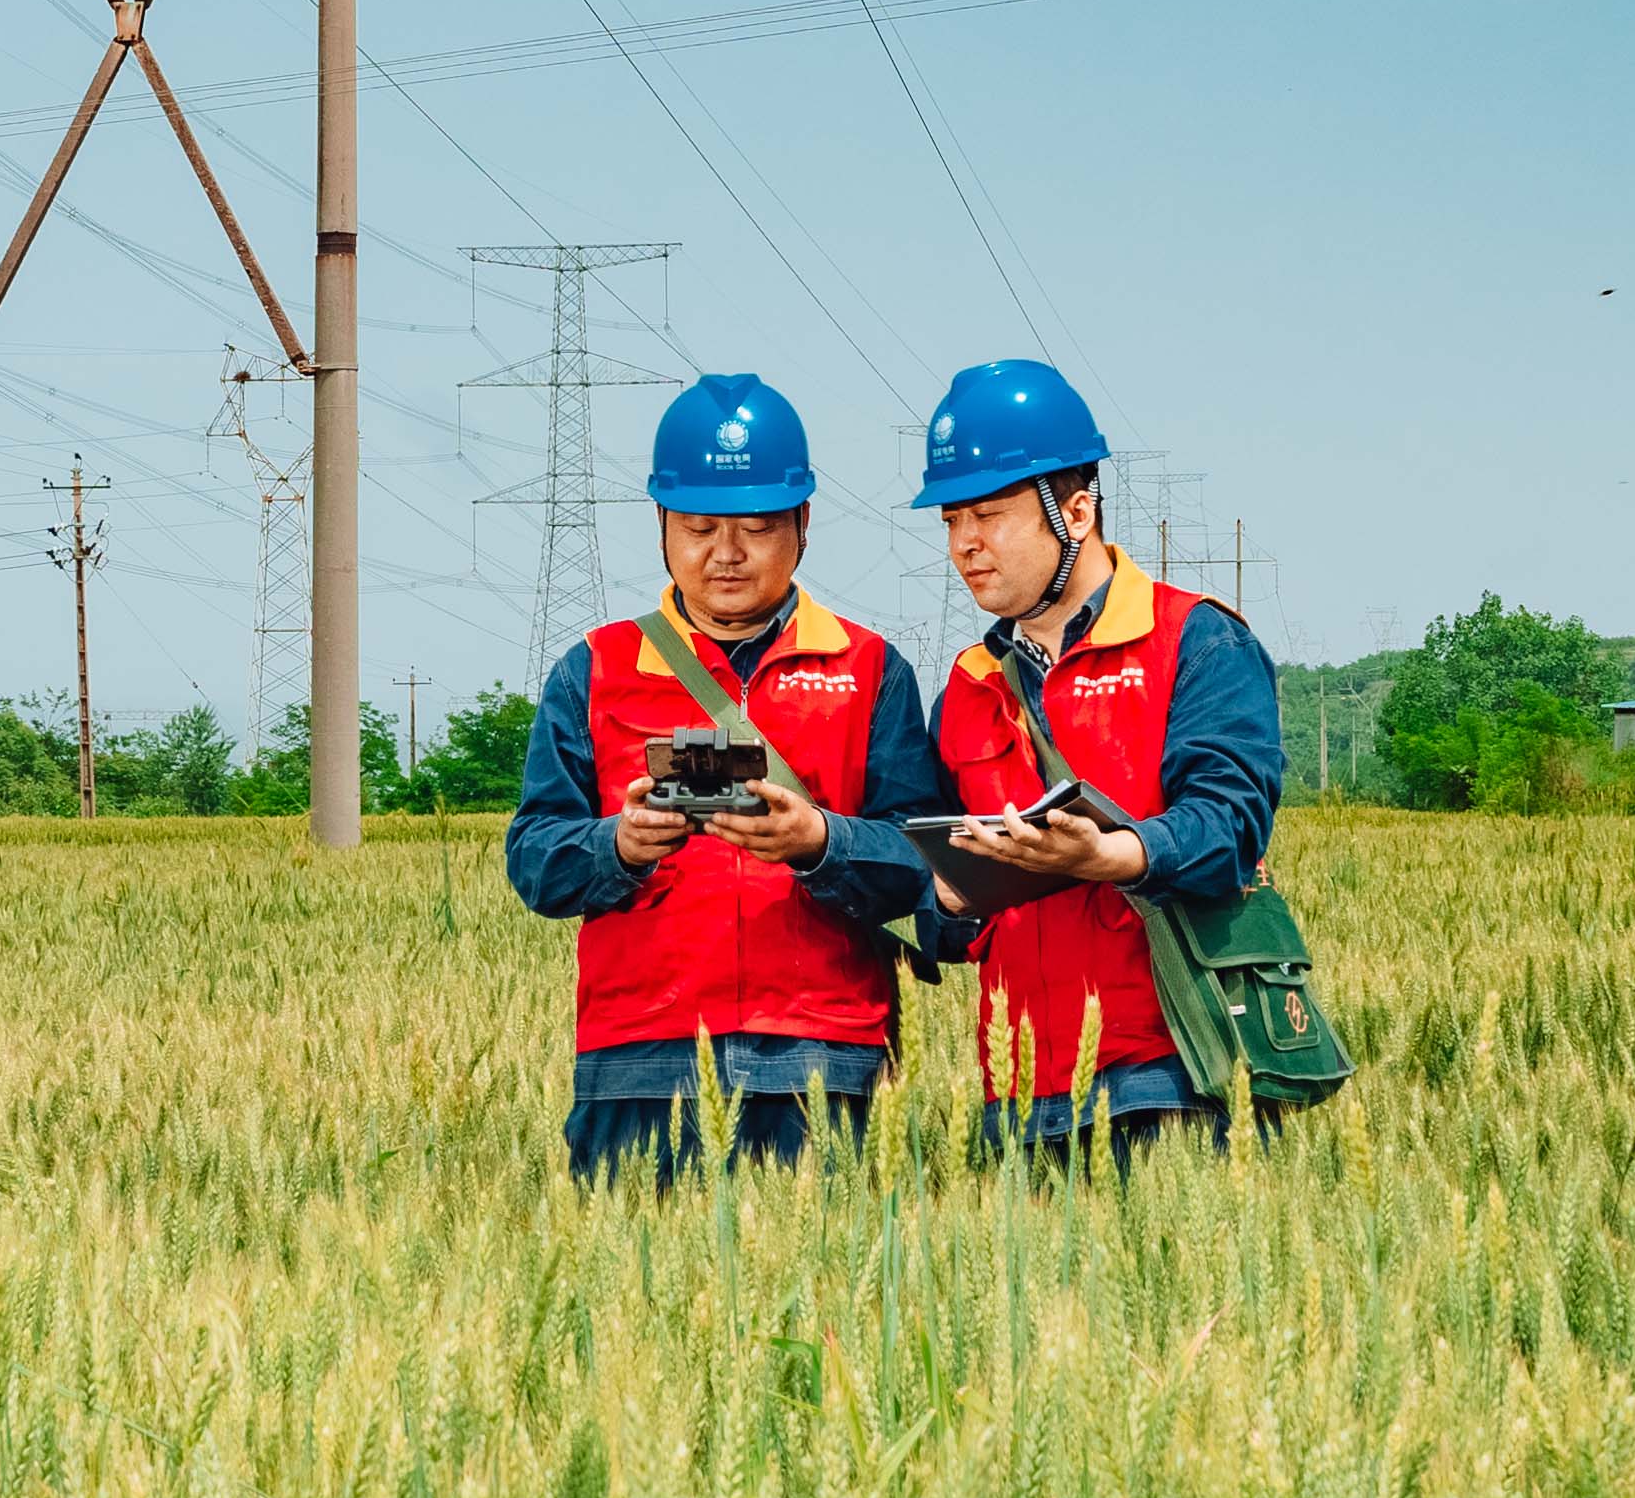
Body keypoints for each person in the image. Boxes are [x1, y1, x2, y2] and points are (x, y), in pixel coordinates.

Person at [504, 372, 941, 1184]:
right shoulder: (594, 670)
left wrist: (819, 842)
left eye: (757, 527)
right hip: (639, 1055)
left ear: (803, 525)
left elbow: (924, 861)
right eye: (700, 526)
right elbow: (534, 858)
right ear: (663, 525)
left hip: (822, 1053)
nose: (727, 553)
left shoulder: (871, 669)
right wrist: (620, 846)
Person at [909, 357, 1287, 1159]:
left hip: (1177, 1074)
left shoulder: (1195, 640)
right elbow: (934, 922)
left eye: (989, 514)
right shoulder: (968, 688)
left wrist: (1111, 854)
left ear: (1076, 511)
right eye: (950, 520)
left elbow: (1231, 823)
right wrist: (945, 898)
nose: (965, 544)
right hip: (1016, 1094)